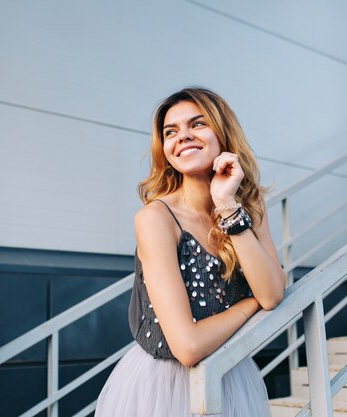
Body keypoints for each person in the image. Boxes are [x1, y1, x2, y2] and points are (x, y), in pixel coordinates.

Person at [95, 87, 286, 417]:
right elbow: (188, 347)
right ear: (165, 148)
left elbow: (271, 294)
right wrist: (247, 305)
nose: (182, 137)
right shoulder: (156, 219)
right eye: (171, 132)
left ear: (223, 133)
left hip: (231, 377)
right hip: (162, 388)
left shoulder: (248, 207)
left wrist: (227, 206)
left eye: (197, 124)